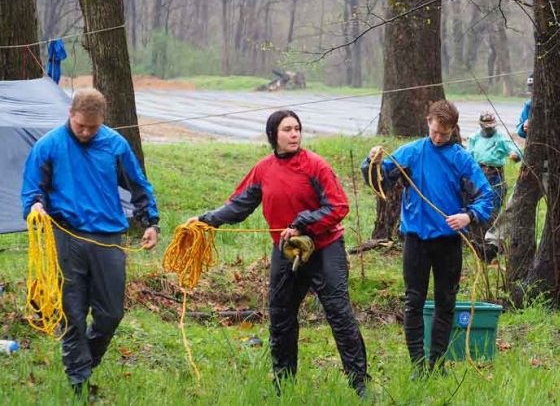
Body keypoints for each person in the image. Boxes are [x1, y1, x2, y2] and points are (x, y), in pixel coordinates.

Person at [188, 110, 369, 397]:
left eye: (297, 129)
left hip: (323, 248)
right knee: (281, 316)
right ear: (273, 135)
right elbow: (239, 205)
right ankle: (283, 384)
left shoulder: (316, 166)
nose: (294, 134)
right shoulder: (263, 169)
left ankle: (359, 384)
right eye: (287, 129)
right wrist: (205, 219)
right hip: (286, 252)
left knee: (339, 313)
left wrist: (302, 223)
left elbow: (338, 207)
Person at [20, 89, 160, 398]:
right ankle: (78, 382)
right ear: (71, 114)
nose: (85, 132)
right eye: (81, 125)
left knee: (111, 314)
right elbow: (33, 188)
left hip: (108, 238)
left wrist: (150, 222)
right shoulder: (49, 146)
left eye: (92, 127)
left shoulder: (114, 145)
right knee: (73, 312)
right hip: (66, 235)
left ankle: (87, 360)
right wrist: (35, 206)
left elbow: (138, 185)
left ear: (102, 122)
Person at [361, 100, 493, 377]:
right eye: (434, 131)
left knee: (446, 302)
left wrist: (468, 216)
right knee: (414, 301)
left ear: (453, 130)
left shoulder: (461, 158)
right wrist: (371, 159)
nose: (437, 137)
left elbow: (487, 196)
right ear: (428, 122)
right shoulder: (412, 152)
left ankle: (438, 363)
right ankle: (417, 366)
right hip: (416, 240)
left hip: (448, 241)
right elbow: (378, 176)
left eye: (443, 134)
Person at [483, 72, 560, 260]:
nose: (534, 95)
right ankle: (492, 242)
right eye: (532, 91)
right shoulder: (529, 106)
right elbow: (520, 129)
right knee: (516, 202)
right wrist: (524, 128)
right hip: (534, 165)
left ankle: (559, 250)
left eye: (537, 91)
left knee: (559, 210)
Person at [466, 111, 521, 260]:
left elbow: (514, 149)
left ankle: (492, 243)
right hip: (477, 173)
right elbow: (467, 155)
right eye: (486, 126)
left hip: (494, 174)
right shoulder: (474, 137)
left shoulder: (501, 138)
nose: (489, 128)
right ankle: (475, 240)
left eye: (491, 125)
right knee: (474, 204)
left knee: (493, 207)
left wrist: (515, 155)